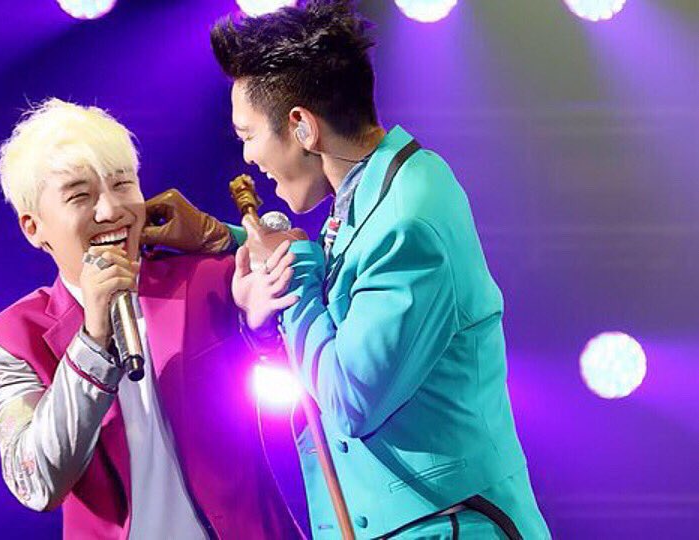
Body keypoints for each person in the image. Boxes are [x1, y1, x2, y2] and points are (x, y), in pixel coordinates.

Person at [145, 1, 551, 537]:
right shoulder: (375, 191)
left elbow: (350, 398)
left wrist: (292, 278)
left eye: (248, 135)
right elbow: (348, 273)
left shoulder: (408, 220)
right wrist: (220, 237)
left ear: (302, 127)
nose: (248, 158)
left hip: (448, 525)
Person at [0, 98, 301, 539]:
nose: (111, 211)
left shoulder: (200, 278)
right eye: (80, 196)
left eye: (122, 185)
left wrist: (226, 243)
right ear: (34, 228)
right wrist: (93, 339)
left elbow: (299, 259)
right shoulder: (14, 338)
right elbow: (33, 482)